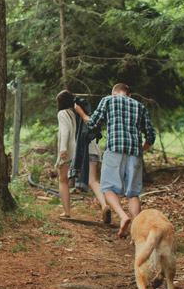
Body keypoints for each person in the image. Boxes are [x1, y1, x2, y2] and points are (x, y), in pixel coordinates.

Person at [74, 83, 155, 237]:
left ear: (114, 92)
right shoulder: (140, 106)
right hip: (135, 153)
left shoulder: (108, 100)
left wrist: (81, 112)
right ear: (128, 95)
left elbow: (92, 123)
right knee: (133, 194)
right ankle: (136, 234)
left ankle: (123, 216)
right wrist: (140, 150)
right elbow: (150, 136)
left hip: (114, 150)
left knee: (107, 188)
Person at [70, 97, 109, 223]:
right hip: (95, 150)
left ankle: (104, 205)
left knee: (92, 181)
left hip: (88, 150)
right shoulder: (91, 117)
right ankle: (105, 205)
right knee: (94, 180)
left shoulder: (82, 119)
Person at [55, 90, 76, 218]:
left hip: (69, 151)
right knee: (92, 180)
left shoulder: (62, 113)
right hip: (80, 151)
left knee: (63, 181)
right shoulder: (75, 113)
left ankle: (67, 212)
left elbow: (65, 131)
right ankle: (104, 205)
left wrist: (63, 149)